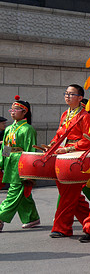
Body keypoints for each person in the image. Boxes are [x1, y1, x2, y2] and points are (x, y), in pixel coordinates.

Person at [49, 84, 90, 238]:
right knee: (69, 193)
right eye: (66, 93)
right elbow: (59, 135)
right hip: (61, 156)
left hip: (75, 157)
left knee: (68, 193)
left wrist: (68, 149)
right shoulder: (65, 114)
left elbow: (88, 140)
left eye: (71, 94)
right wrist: (52, 146)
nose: (67, 96)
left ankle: (62, 228)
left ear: (80, 98)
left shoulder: (85, 116)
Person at [0, 96, 39, 232]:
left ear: (24, 112)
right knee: (22, 193)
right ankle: (31, 217)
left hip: (21, 163)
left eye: (16, 109)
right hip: (10, 163)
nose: (12, 112)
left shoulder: (28, 129)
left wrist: (30, 171)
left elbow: (31, 150)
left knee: (14, 191)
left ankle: (0, 216)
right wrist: (1, 163)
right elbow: (5, 148)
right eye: (12, 109)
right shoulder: (8, 129)